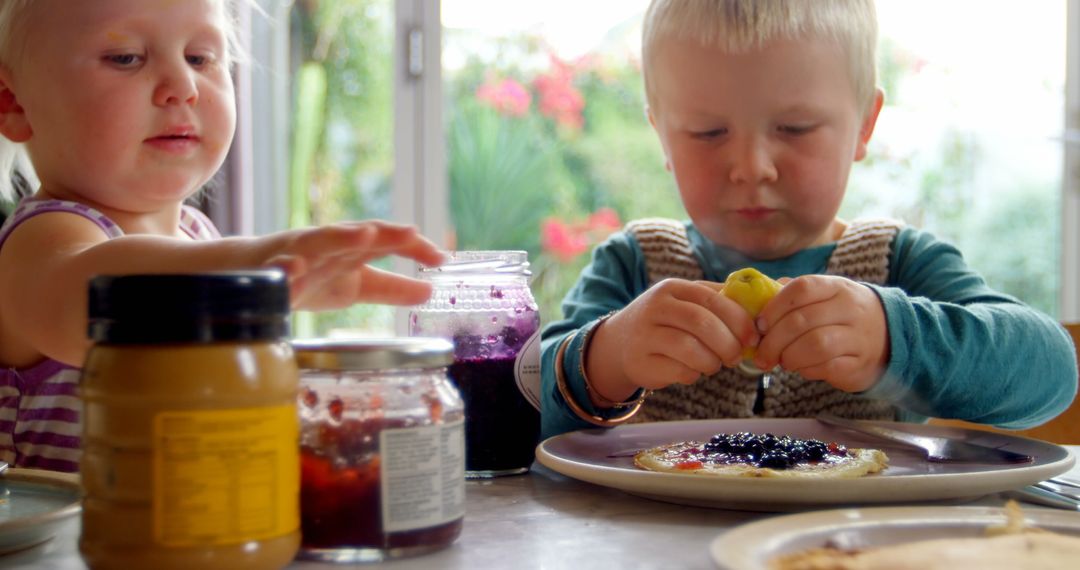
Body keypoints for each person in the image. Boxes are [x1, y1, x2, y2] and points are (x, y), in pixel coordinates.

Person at [540, 0, 1078, 439]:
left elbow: (1051, 373)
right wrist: (606, 358)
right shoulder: (632, 265)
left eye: (795, 128)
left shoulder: (898, 262)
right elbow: (516, 403)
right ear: (661, 134)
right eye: (708, 132)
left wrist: (894, 338)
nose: (752, 169)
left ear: (864, 125)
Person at [0, 0, 444, 472]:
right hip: (76, 546)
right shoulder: (39, 241)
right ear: (14, 104)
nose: (183, 87)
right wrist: (253, 268)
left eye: (199, 58)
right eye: (126, 57)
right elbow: (104, 295)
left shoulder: (199, 238)